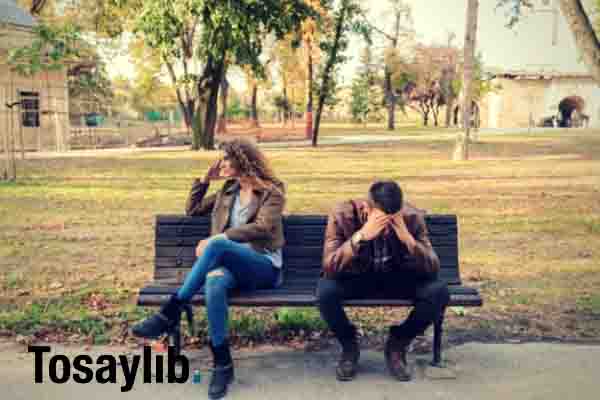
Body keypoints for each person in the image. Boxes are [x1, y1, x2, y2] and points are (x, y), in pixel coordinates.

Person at [132, 138, 286, 400]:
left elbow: (263, 228)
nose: (220, 164)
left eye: (225, 159)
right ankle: (222, 364)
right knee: (214, 283)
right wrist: (204, 180)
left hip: (263, 266)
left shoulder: (272, 191)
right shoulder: (227, 191)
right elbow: (192, 210)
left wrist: (220, 238)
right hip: (228, 264)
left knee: (217, 245)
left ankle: (171, 311)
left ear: (242, 160)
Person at [317, 181, 449, 382]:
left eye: (392, 221)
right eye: (381, 221)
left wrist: (409, 241)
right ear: (367, 208)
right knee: (325, 292)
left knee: (438, 291)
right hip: (357, 278)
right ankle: (349, 346)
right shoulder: (342, 214)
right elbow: (329, 267)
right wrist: (359, 237)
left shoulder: (411, 217)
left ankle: (398, 343)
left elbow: (433, 268)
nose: (386, 228)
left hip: (396, 278)